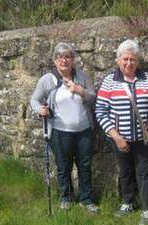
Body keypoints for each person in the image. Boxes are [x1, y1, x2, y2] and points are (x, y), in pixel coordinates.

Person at [95, 39, 148, 225]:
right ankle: (128, 202)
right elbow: (100, 111)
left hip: (144, 138)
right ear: (118, 60)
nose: (128, 63)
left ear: (138, 60)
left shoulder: (147, 79)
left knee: (144, 172)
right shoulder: (110, 81)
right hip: (120, 138)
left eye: (132, 59)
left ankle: (147, 207)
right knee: (125, 171)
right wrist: (116, 136)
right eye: (125, 59)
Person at [30, 42, 99, 213]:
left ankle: (86, 199)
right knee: (63, 166)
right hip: (60, 132)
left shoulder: (82, 77)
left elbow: (94, 99)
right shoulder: (47, 79)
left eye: (67, 56)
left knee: (84, 165)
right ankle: (66, 197)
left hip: (84, 131)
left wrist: (79, 90)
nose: (64, 60)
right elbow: (34, 100)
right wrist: (40, 109)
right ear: (55, 60)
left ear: (73, 59)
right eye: (60, 57)